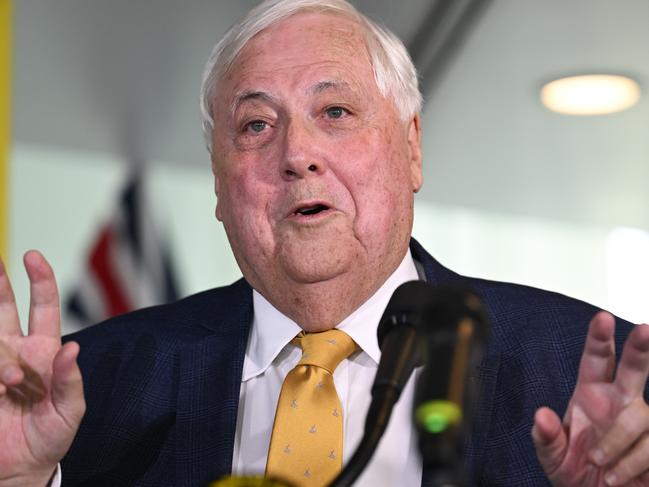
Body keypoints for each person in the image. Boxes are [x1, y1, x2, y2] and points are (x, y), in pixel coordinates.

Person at [1, 0, 648, 486]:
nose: (296, 154)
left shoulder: (593, 375)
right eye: (256, 124)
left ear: (412, 146)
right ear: (220, 188)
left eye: (334, 111)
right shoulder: (94, 389)